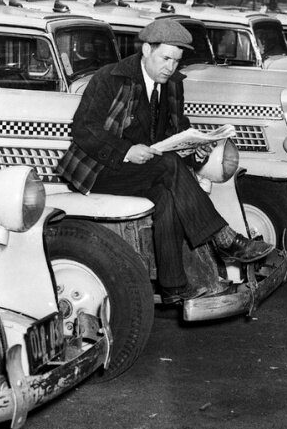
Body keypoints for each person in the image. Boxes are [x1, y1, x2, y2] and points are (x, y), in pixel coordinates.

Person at [56, 17, 274, 304]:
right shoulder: (109, 78)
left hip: (143, 171)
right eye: (165, 58)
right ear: (146, 50)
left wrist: (194, 150)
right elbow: (84, 130)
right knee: (168, 168)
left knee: (166, 195)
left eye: (177, 61)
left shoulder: (172, 85)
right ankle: (223, 238)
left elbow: (175, 132)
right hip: (98, 170)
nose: (170, 67)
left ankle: (173, 286)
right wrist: (125, 150)